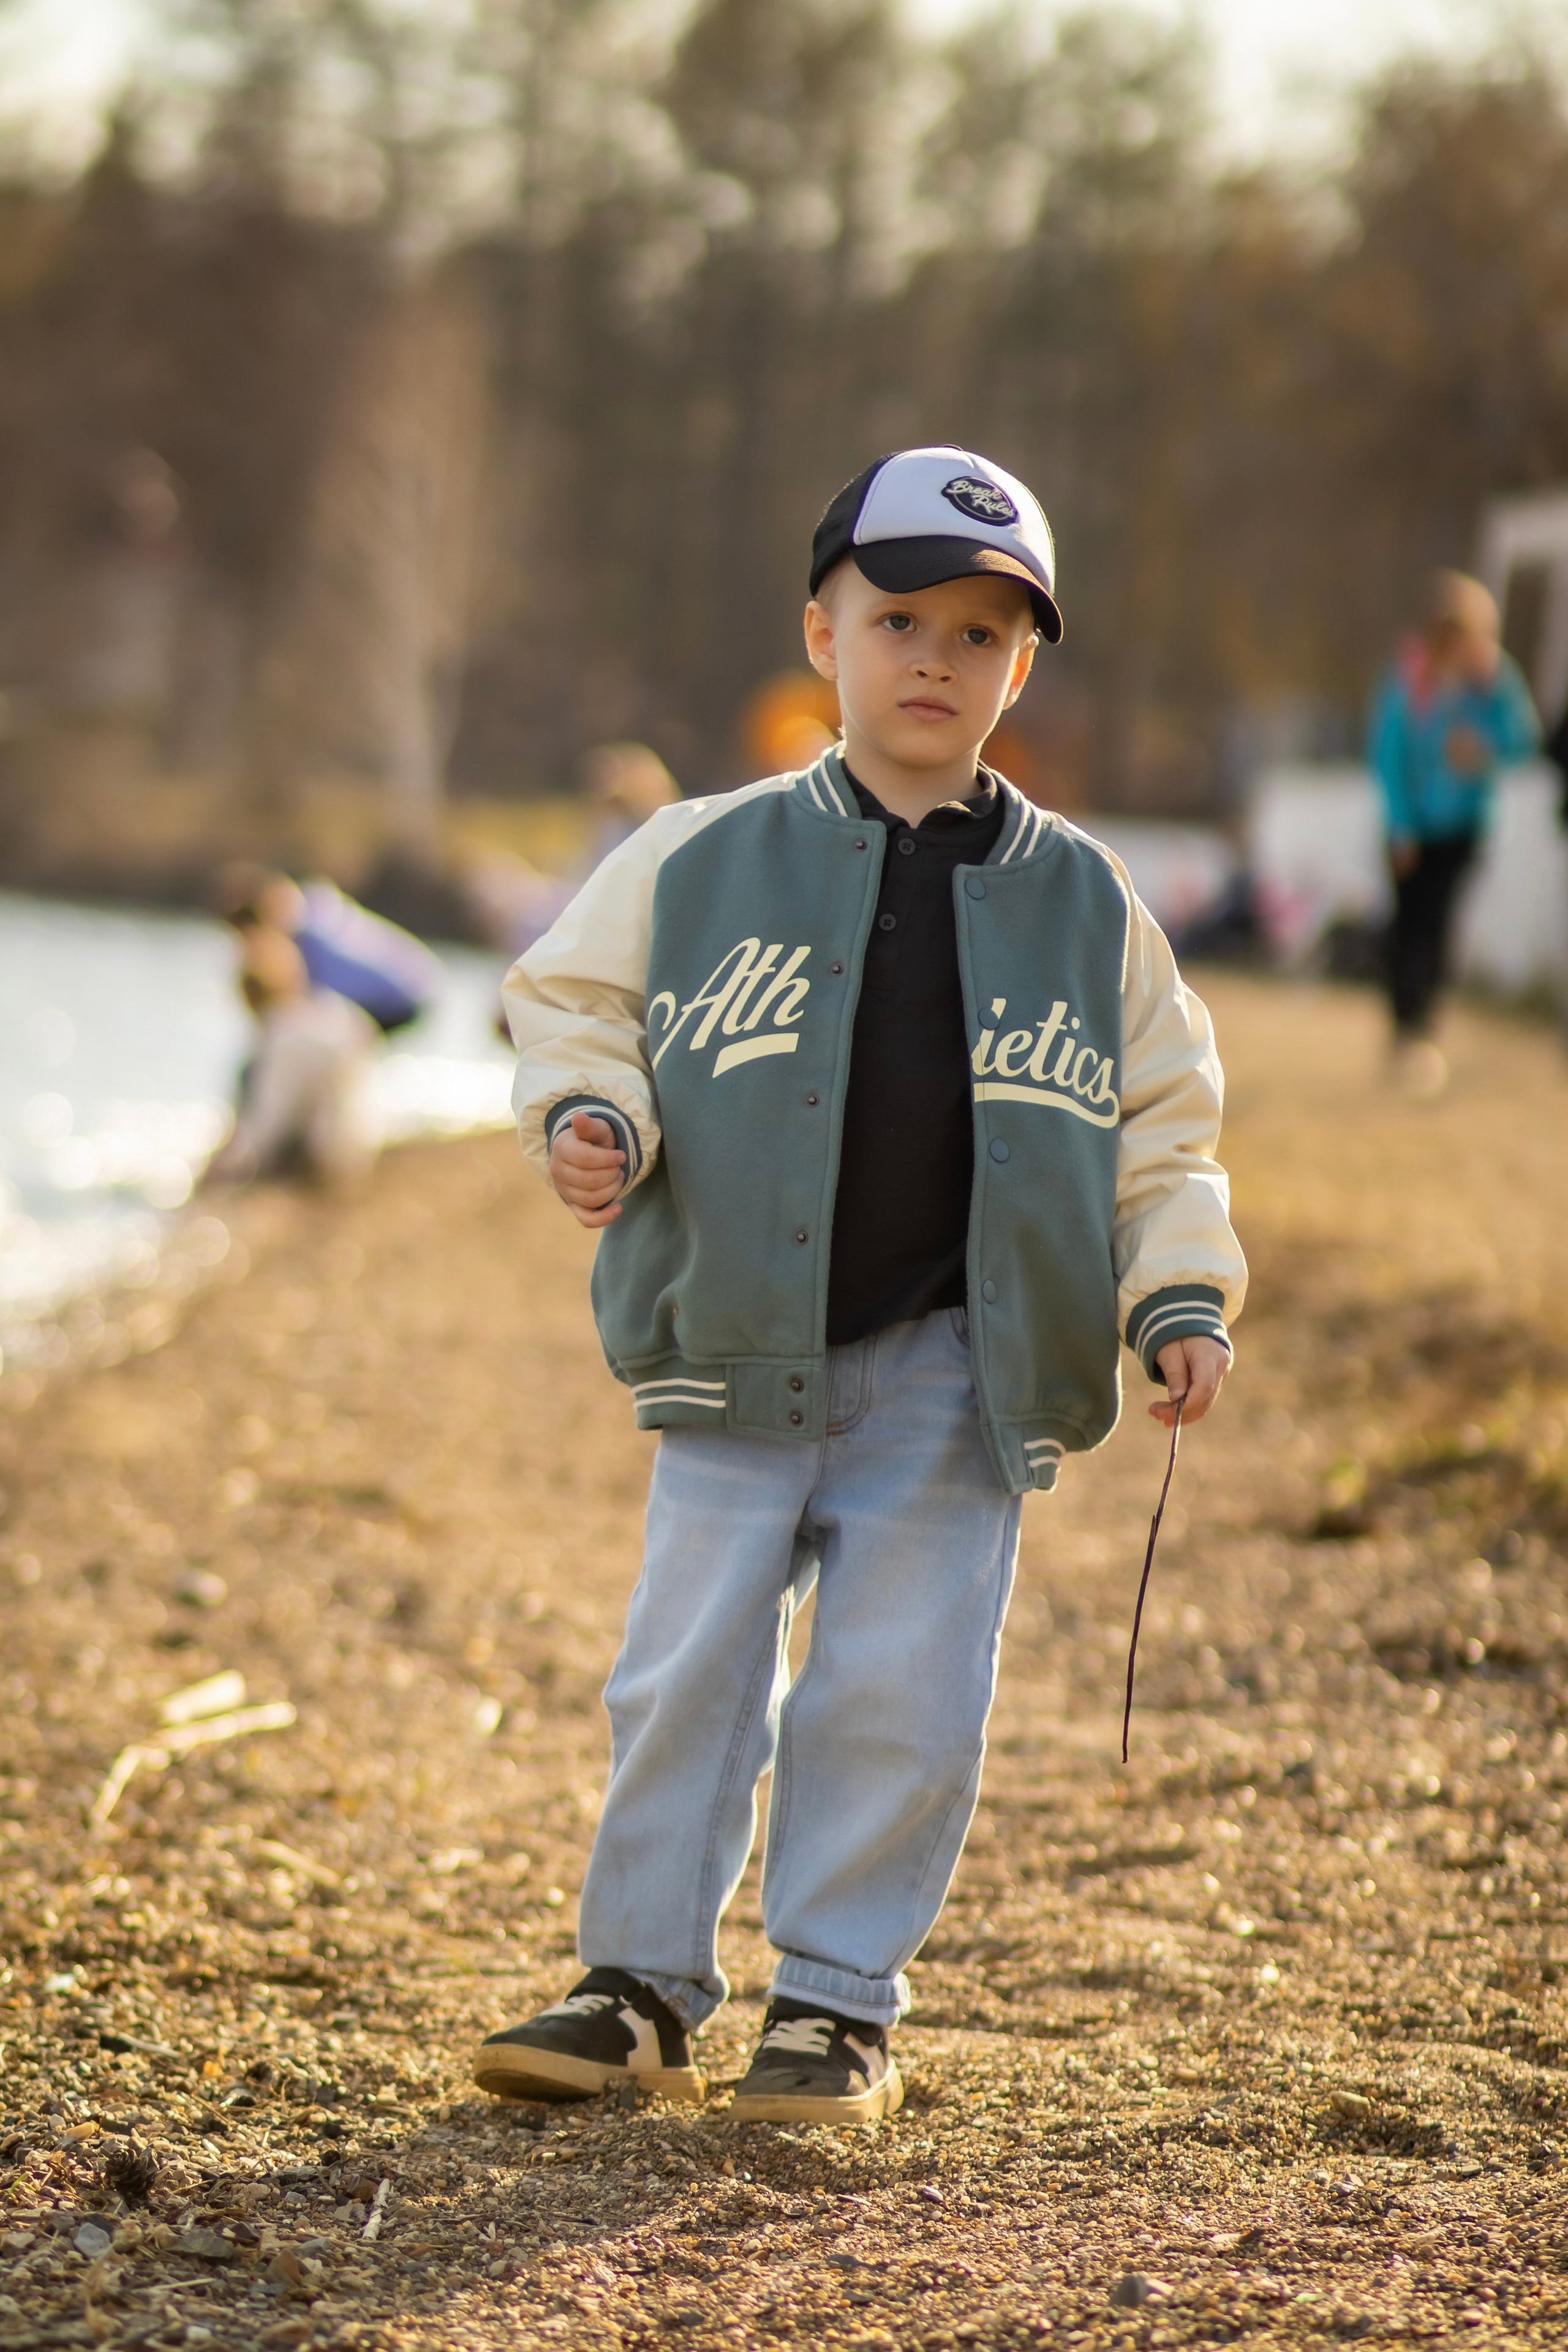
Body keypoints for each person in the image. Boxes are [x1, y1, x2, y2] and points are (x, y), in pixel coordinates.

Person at [475, 445, 1247, 2126]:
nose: (934, 659)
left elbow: (1165, 1130)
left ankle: (833, 2005)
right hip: (735, 1348)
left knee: (901, 1689)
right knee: (684, 1671)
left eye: (981, 635)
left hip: (956, 1376)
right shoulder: (698, 855)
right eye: (897, 617)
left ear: (1022, 669)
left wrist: (1178, 1296)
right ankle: (641, 1984)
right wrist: (591, 1110)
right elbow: (567, 999)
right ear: (818, 630)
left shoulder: (1084, 903)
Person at [1369, 571, 1539, 1093]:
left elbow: (1525, 742)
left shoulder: (1493, 682)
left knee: (1439, 928)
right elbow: (1389, 754)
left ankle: (1425, 1031)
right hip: (1410, 827)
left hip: (1462, 827)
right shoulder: (1412, 678)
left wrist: (1485, 746)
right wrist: (1401, 828)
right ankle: (1401, 1028)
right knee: (1407, 927)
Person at [205, 925, 382, 1186]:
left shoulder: (283, 1035)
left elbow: (267, 1126)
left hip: (326, 1161)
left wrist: (220, 1171)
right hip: (361, 1148)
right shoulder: (337, 1011)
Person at [211, 865, 440, 1035]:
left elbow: (309, 999)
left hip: (398, 996)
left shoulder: (306, 937)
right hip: (419, 979)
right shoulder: (316, 904)